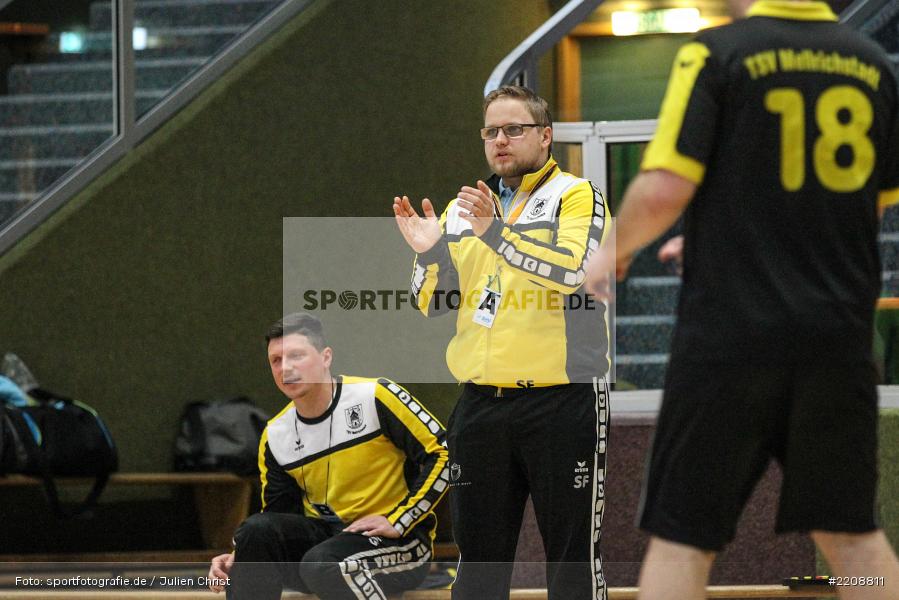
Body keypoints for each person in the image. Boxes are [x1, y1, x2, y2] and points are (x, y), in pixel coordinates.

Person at [584, 0, 899, 598]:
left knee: (685, 538)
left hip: (731, 343)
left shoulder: (717, 53)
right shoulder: (875, 65)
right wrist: (722, 240)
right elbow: (864, 208)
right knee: (852, 538)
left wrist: (610, 252)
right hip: (838, 342)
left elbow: (665, 186)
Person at [392, 85, 611, 600]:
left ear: (546, 135)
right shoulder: (463, 208)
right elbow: (432, 303)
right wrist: (428, 256)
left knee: (571, 562)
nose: (501, 140)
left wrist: (497, 236)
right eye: (492, 131)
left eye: (515, 129)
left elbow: (571, 271)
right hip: (481, 405)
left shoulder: (577, 195)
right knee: (478, 566)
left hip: (561, 400)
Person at [207, 312, 449, 600]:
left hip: (400, 543)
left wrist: (400, 520)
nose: (286, 368)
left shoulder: (374, 396)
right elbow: (277, 517)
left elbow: (445, 453)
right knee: (254, 532)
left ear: (326, 357)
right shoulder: (275, 435)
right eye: (276, 360)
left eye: (296, 355)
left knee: (323, 565)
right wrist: (242, 555)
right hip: (325, 545)